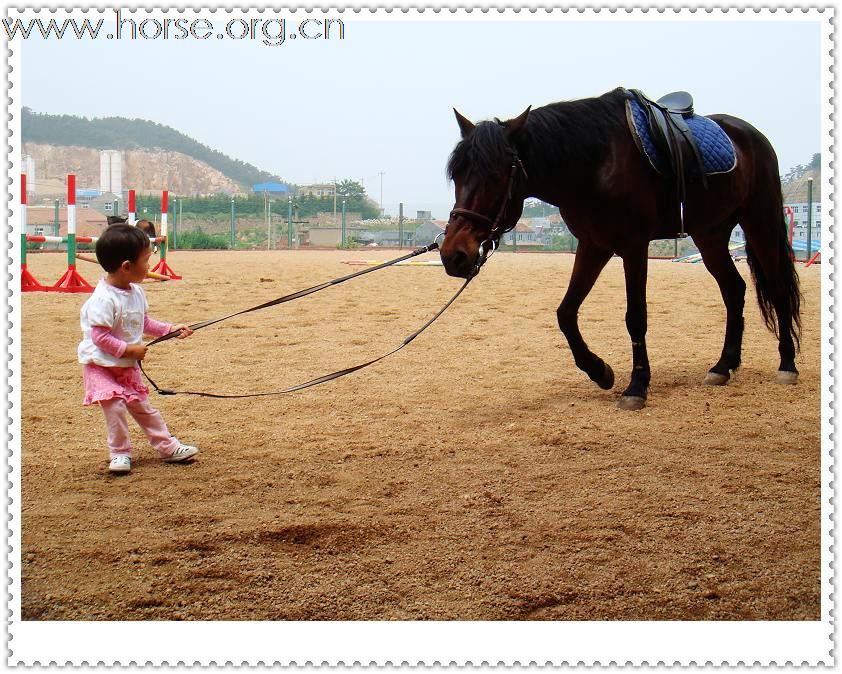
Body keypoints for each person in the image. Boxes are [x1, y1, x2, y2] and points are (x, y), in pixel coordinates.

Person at [78, 224, 198, 474]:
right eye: (146, 260)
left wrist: (170, 329)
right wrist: (128, 350)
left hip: (125, 367)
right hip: (101, 366)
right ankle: (120, 453)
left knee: (144, 408)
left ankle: (167, 447)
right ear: (126, 267)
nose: (150, 267)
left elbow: (143, 323)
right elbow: (100, 337)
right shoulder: (103, 298)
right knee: (116, 408)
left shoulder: (137, 292)